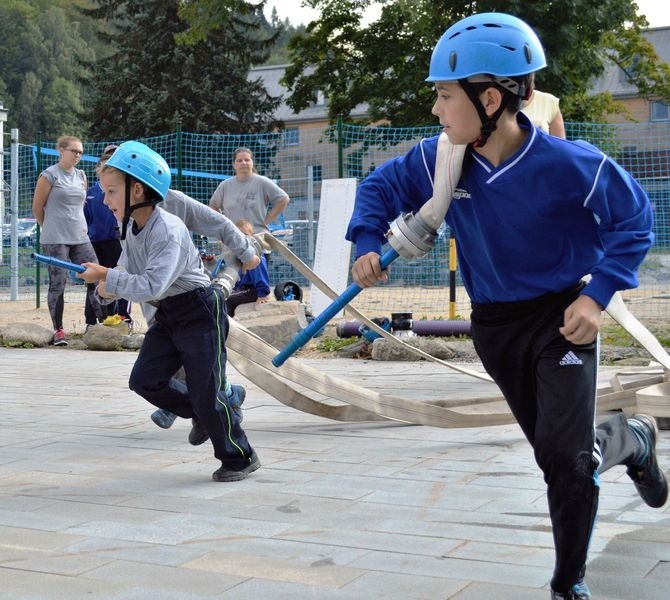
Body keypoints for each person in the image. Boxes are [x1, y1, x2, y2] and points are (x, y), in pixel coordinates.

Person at [345, 13, 666, 600]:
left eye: (445, 96)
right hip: (496, 328)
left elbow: (635, 221)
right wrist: (368, 240)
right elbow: (380, 189)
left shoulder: (571, 165)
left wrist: (597, 296)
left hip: (563, 317)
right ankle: (633, 439)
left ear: (489, 98)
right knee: (556, 456)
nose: (438, 111)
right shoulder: (441, 159)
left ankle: (568, 583)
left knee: (568, 466)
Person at [80, 141, 260, 482]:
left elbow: (152, 286)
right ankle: (213, 411)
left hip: (198, 312)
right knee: (144, 380)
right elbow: (125, 269)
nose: (105, 201)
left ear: (137, 189)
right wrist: (103, 291)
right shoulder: (133, 228)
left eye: (111, 192)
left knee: (207, 391)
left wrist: (108, 277)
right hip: (169, 316)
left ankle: (239, 457)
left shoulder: (168, 229)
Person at [32, 135, 101, 345]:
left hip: (80, 236)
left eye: (80, 152)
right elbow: (37, 208)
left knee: (96, 275)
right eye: (74, 151)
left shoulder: (81, 175)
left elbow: (79, 206)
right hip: (55, 238)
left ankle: (99, 323)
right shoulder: (49, 175)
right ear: (61, 150)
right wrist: (51, 228)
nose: (78, 155)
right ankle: (59, 330)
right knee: (58, 283)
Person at [209, 146, 290, 267]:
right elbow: (213, 206)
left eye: (247, 160)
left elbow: (284, 199)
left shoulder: (262, 182)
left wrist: (267, 219)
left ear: (252, 163)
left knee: (258, 283)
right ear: (234, 164)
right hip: (232, 243)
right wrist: (223, 225)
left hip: (257, 241)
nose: (243, 163)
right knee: (232, 281)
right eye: (239, 160)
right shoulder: (225, 186)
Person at [83, 144, 131, 327]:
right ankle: (92, 320)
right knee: (94, 280)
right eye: (107, 159)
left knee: (121, 277)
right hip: (96, 242)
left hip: (117, 241)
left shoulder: (126, 189)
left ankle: (122, 316)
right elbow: (87, 219)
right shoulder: (92, 193)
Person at [225, 219, 270, 317]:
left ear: (252, 236)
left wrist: (262, 294)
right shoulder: (238, 255)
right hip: (242, 290)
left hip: (251, 291)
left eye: (245, 234)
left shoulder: (255, 254)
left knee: (224, 300)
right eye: (239, 235)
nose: (242, 239)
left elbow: (260, 275)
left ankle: (227, 324)